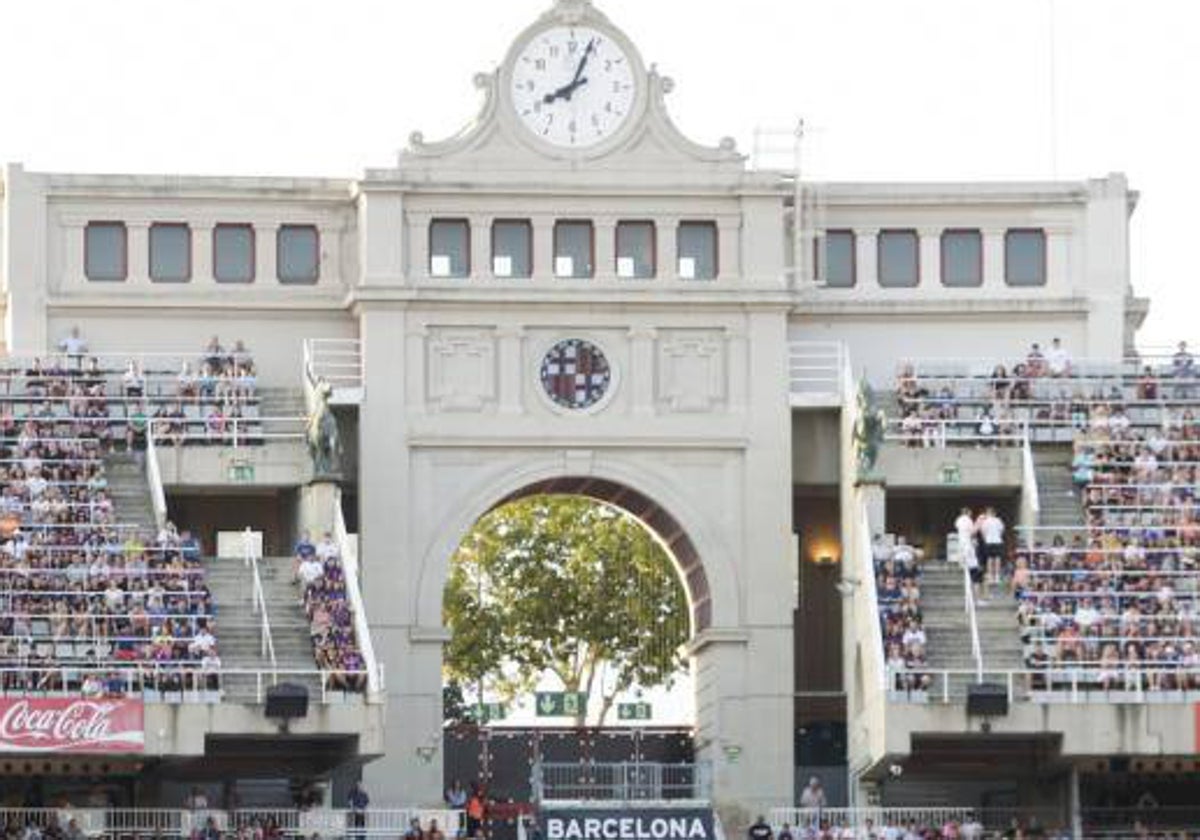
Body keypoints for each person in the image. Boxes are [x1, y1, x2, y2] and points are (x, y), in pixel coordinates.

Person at [977, 507, 1006, 597]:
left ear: (988, 513)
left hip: (989, 541)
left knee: (989, 559)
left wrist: (986, 539)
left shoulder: (985, 521)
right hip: (997, 541)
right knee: (997, 558)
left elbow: (982, 531)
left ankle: (990, 575)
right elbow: (1002, 530)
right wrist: (998, 536)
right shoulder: (998, 520)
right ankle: (996, 576)